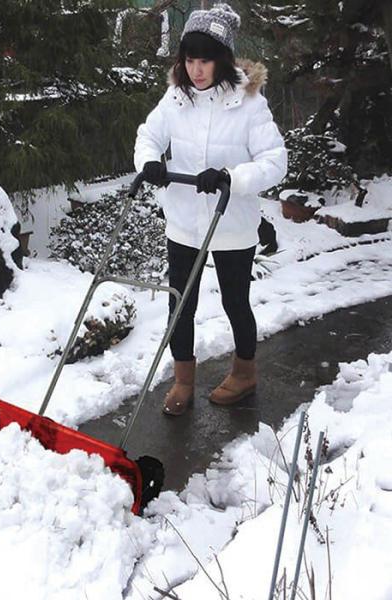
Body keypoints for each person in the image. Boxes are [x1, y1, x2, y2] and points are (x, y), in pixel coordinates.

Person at [133, 3, 287, 415]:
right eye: (190, 59)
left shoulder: (249, 103)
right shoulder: (175, 98)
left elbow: (275, 161)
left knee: (236, 301)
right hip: (183, 220)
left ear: (222, 59)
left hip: (231, 220)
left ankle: (244, 372)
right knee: (180, 303)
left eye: (205, 60)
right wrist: (149, 162)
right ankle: (183, 379)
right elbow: (148, 135)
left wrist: (230, 178)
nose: (197, 69)